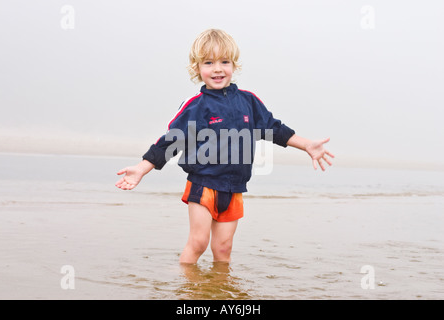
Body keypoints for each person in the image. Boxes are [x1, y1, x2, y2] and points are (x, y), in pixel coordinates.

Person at [115, 29, 334, 264]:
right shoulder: (196, 106)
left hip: (235, 187)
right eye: (209, 62)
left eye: (224, 61)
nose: (217, 68)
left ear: (233, 65)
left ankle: (220, 291)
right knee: (198, 243)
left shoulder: (248, 101)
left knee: (223, 249)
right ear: (197, 68)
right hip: (203, 183)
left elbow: (274, 129)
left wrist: (307, 145)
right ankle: (185, 292)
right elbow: (171, 141)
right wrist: (141, 168)